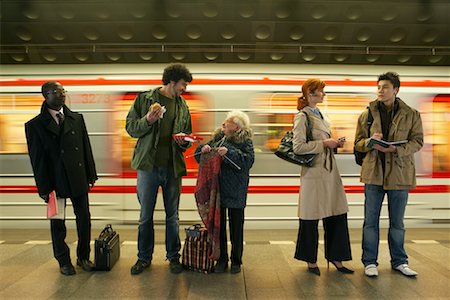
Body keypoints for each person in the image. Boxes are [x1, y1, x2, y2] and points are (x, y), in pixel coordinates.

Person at [125, 63, 193, 275]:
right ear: (172, 81)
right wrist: (147, 120)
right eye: (183, 84)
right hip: (148, 167)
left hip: (172, 168)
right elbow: (130, 128)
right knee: (145, 216)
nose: (185, 89)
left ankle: (173, 257)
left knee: (172, 216)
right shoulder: (144, 99)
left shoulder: (183, 106)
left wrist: (184, 141)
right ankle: (143, 258)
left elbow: (188, 135)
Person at [25, 81, 98, 276]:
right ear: (45, 95)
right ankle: (63, 261)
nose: (62, 94)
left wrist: (91, 174)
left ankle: (83, 257)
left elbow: (85, 148)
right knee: (58, 223)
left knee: (84, 220)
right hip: (54, 182)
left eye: (63, 90)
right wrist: (43, 188)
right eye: (56, 91)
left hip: (78, 178)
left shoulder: (76, 118)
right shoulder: (34, 126)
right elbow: (37, 160)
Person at [355, 72, 423, 277]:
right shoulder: (366, 114)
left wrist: (396, 149)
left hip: (399, 176)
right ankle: (369, 262)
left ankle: (400, 261)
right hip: (374, 175)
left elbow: (417, 141)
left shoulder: (412, 114)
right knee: (370, 221)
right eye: (378, 87)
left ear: (396, 90)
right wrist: (369, 141)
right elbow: (357, 143)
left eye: (385, 87)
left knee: (397, 223)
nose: (380, 90)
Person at [293, 78, 353, 276]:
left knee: (337, 212)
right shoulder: (302, 117)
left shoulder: (323, 116)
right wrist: (325, 144)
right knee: (310, 217)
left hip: (329, 171)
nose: (324, 94)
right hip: (313, 173)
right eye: (321, 91)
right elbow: (298, 146)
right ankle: (310, 260)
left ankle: (336, 257)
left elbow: (325, 142)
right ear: (311, 94)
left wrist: (335, 143)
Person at [195, 110, 254, 274]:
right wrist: (203, 148)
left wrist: (229, 152)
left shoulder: (245, 141)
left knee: (236, 228)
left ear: (236, 126)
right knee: (218, 227)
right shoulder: (218, 138)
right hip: (218, 190)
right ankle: (221, 260)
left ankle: (236, 261)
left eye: (226, 122)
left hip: (236, 190)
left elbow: (248, 161)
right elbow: (199, 155)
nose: (223, 124)